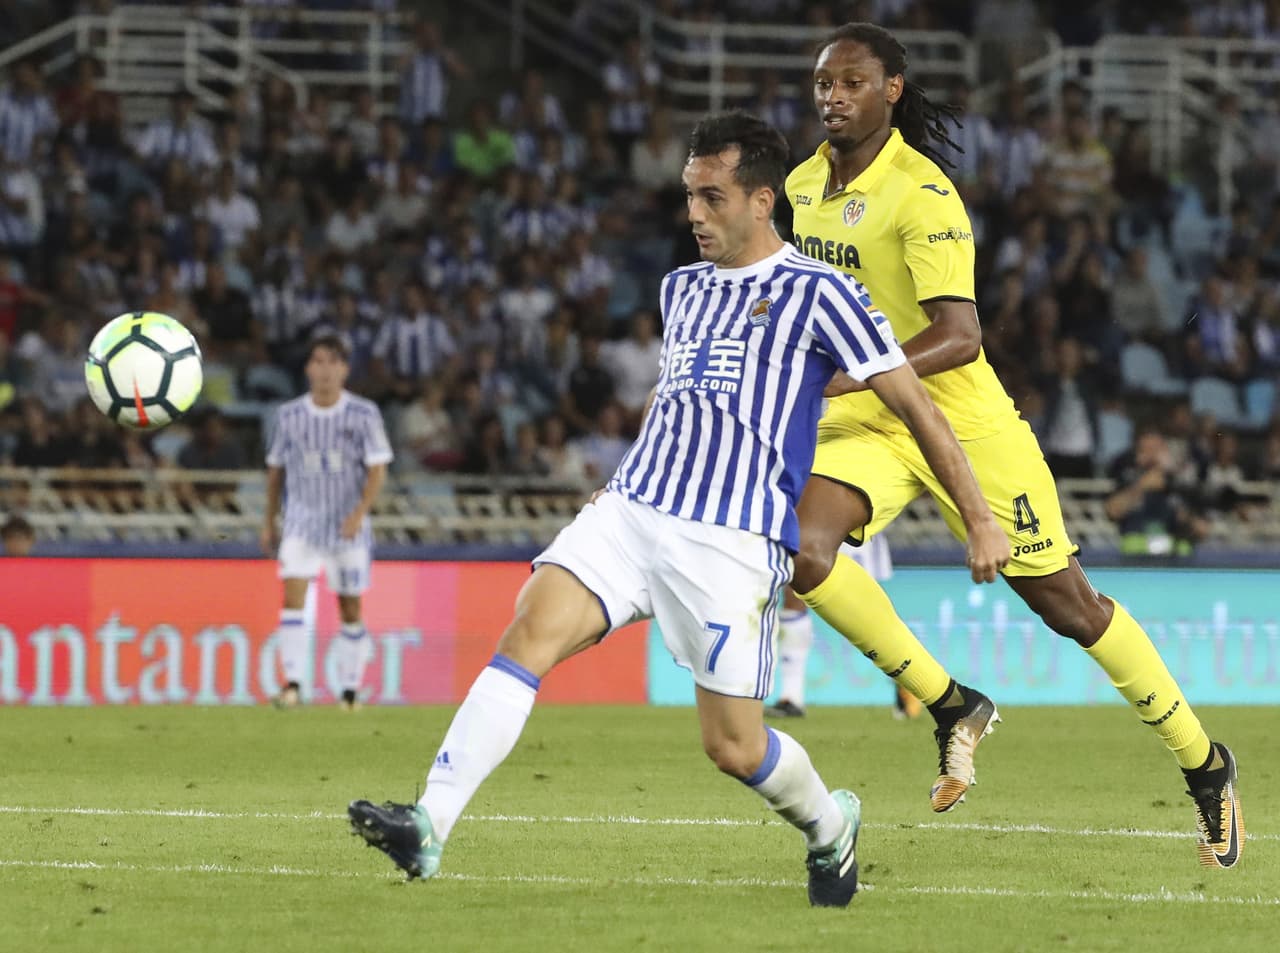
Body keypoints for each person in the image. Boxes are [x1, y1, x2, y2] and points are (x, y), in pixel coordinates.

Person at [347, 112, 1009, 906]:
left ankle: (829, 825)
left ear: (763, 200)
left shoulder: (824, 295)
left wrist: (977, 515)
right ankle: (430, 823)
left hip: (730, 541)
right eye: (688, 195)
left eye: (712, 196)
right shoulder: (681, 288)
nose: (694, 213)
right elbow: (677, 399)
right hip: (632, 513)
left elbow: (917, 406)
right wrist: (621, 477)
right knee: (527, 631)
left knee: (732, 746)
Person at [784, 22, 1241, 868]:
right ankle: (952, 703)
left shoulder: (921, 193)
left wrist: (843, 377)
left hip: (960, 413)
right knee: (798, 546)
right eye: (823, 83)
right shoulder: (802, 185)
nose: (832, 97)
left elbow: (959, 335)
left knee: (1067, 605)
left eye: (851, 83)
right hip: (873, 418)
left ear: (892, 91)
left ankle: (1204, 762)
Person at [260, 334, 393, 712]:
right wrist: (269, 521)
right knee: (292, 600)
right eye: (317, 361)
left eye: (332, 362)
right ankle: (293, 685)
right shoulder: (289, 416)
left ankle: (350, 690)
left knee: (350, 607)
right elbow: (275, 473)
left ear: (344, 369)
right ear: (307, 369)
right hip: (301, 523)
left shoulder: (364, 414)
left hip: (347, 528)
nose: (324, 370)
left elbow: (377, 470)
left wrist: (358, 514)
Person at [766, 536, 915, 719]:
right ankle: (790, 697)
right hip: (805, 522)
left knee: (866, 613)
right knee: (793, 594)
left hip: (848, 527)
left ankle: (908, 676)